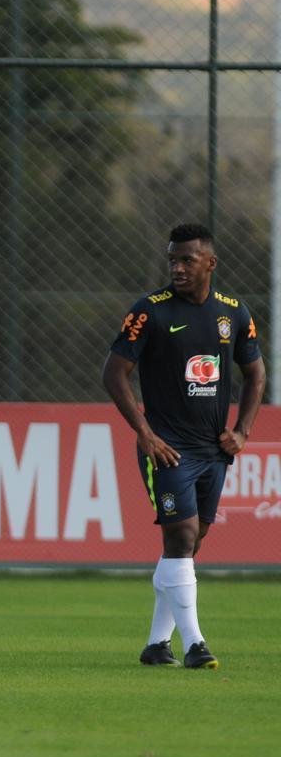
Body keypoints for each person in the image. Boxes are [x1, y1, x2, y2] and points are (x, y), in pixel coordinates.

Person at [103, 222, 264, 670]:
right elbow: (114, 373)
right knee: (182, 535)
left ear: (210, 263)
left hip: (214, 450)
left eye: (187, 259)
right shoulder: (149, 311)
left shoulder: (234, 313)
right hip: (166, 448)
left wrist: (244, 430)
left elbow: (255, 374)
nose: (177, 267)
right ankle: (196, 645)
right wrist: (145, 433)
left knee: (189, 546)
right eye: (172, 259)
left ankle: (157, 646)